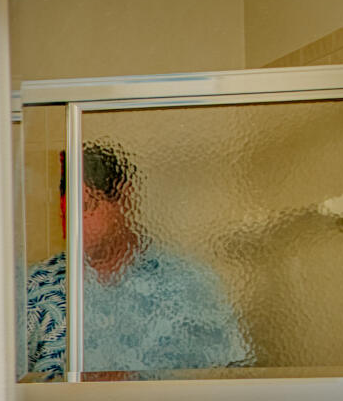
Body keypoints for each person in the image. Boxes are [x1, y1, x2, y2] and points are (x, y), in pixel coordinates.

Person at [21, 141, 253, 378]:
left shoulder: (188, 285)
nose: (73, 221)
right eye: (65, 211)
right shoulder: (33, 288)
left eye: (86, 205)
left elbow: (231, 379)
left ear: (124, 198)